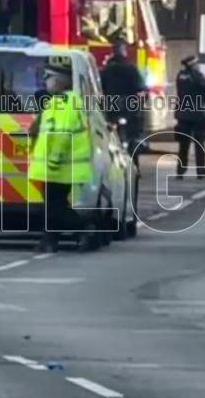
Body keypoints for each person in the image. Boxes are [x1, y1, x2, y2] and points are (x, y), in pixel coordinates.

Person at [29, 63, 94, 252]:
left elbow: (63, 134)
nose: (46, 83)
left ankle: (85, 230)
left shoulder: (66, 104)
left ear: (58, 81)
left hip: (60, 167)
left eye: (48, 78)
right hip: (58, 166)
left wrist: (54, 160)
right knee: (54, 206)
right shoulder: (57, 102)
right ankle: (50, 240)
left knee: (55, 207)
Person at [100, 40, 147, 165]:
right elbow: (141, 87)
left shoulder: (106, 69)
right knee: (135, 134)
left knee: (110, 134)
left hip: (112, 106)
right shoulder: (131, 68)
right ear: (124, 52)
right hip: (129, 107)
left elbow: (100, 89)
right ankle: (135, 164)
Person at [173, 55, 205, 179]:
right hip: (198, 115)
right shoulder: (198, 76)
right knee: (199, 143)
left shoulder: (180, 76)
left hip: (183, 114)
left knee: (183, 145)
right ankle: (201, 172)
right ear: (193, 65)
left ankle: (180, 171)